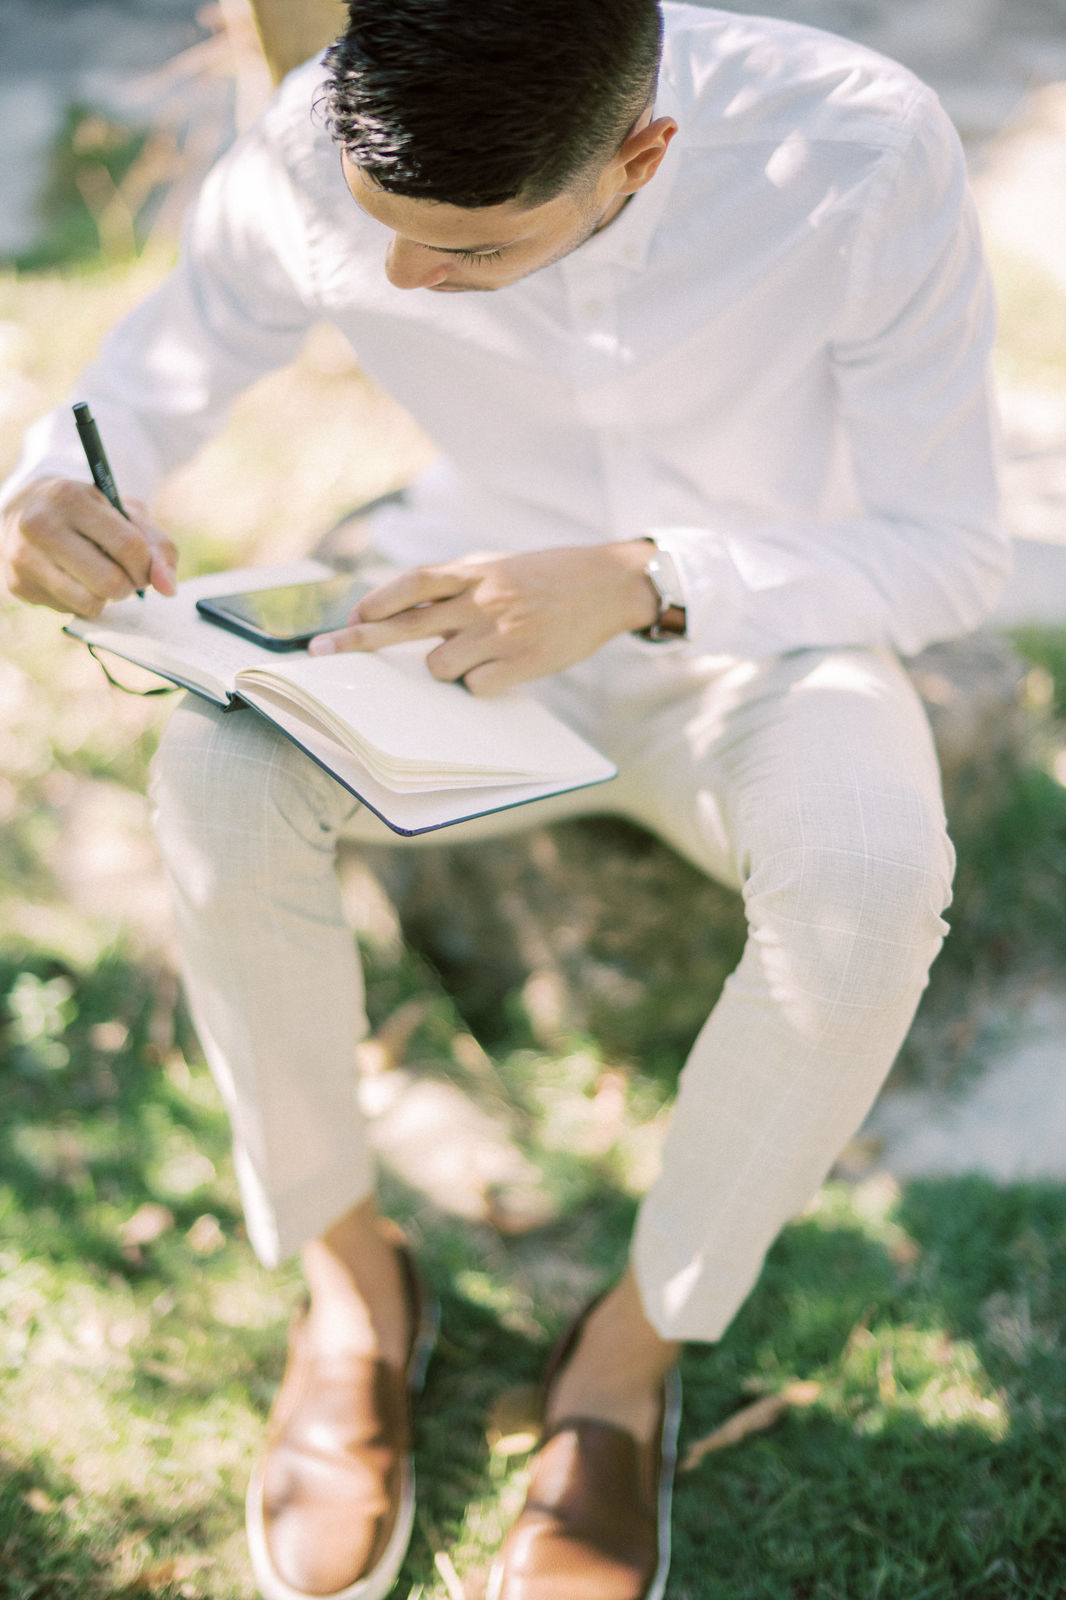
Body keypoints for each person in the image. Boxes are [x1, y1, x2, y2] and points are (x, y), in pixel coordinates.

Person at [0, 1, 1007, 1596]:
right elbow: (151, 379)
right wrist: (54, 483)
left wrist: (644, 579)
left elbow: (951, 547)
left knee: (872, 877)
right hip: (451, 614)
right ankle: (349, 1286)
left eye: (466, 253)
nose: (408, 282)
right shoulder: (317, 142)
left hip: (760, 631)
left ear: (640, 153)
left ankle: (625, 1358)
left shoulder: (855, 147)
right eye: (384, 236)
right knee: (212, 769)